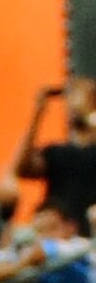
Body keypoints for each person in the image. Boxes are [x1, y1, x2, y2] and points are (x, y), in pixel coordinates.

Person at [14, 77, 96, 235]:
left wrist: (89, 112)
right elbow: (21, 168)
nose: (73, 106)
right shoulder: (56, 152)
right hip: (60, 234)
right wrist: (37, 114)